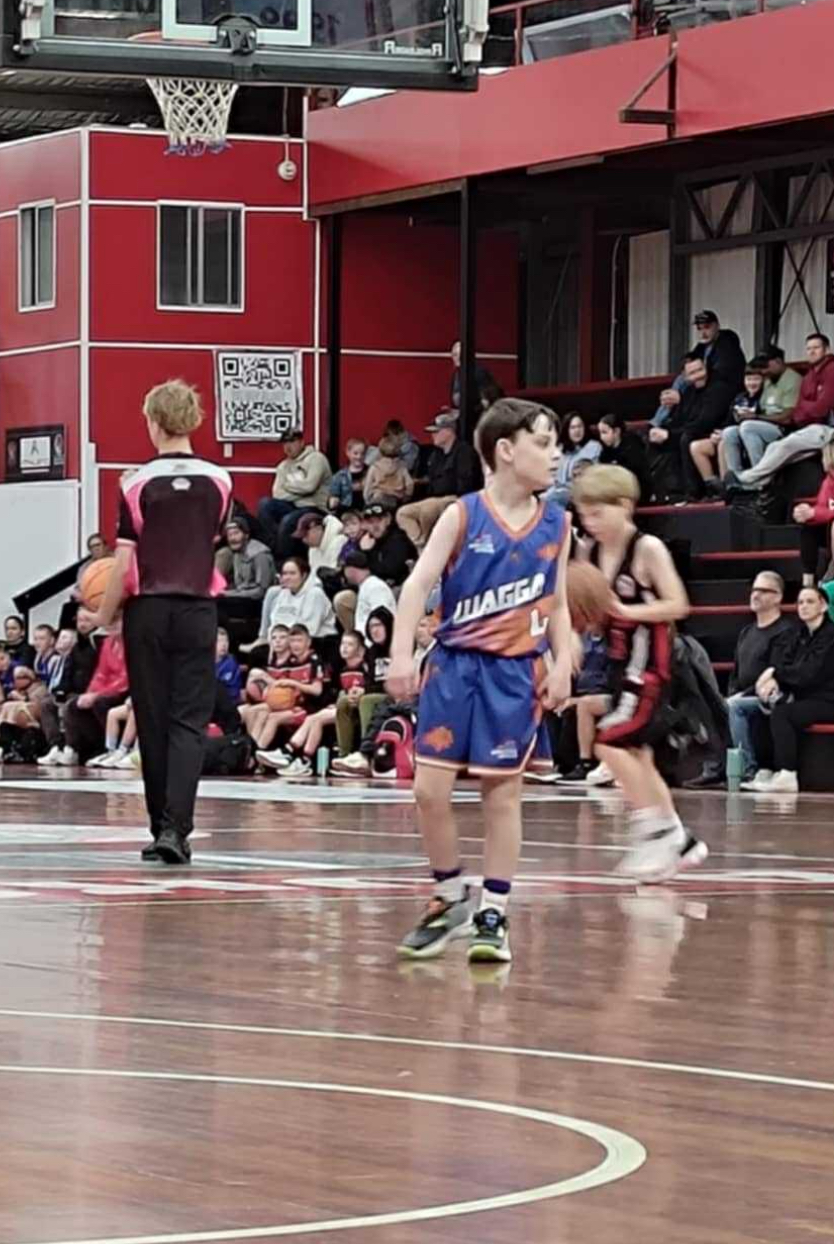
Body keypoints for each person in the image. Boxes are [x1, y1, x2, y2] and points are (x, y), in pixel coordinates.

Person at [387, 397, 572, 964]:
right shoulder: (462, 515)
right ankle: (449, 896)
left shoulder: (557, 523)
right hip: (454, 665)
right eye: (544, 442)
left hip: (515, 673)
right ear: (506, 450)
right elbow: (417, 585)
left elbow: (558, 601)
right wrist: (401, 654)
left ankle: (494, 910)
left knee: (502, 794)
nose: (556, 454)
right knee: (428, 791)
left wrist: (563, 662)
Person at [90, 379, 233, 866]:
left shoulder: (134, 483)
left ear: (153, 422)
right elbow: (207, 540)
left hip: (148, 610)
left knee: (151, 719)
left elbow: (124, 564)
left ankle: (160, 828)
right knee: (188, 722)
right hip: (198, 609)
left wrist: (102, 616)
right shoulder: (220, 480)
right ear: (193, 420)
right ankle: (177, 829)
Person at [573, 464, 708, 881]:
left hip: (651, 664)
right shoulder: (588, 552)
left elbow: (678, 605)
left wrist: (627, 611)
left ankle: (655, 829)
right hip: (618, 662)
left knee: (608, 741)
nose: (590, 522)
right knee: (638, 754)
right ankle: (680, 840)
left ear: (625, 506)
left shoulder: (647, 549)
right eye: (584, 514)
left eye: (598, 513)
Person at [686, 572, 794, 789]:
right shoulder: (747, 632)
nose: (756, 595)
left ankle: (746, 770)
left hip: (771, 698)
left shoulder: (786, 632)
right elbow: (736, 673)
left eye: (763, 591)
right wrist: (730, 695)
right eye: (754, 590)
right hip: (744, 695)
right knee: (712, 705)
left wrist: (739, 696)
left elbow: (776, 676)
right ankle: (716, 767)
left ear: (778, 597)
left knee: (734, 706)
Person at [745, 586, 834, 793]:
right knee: (762, 708)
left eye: (810, 602)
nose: (804, 606)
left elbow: (809, 673)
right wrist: (773, 680)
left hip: (828, 700)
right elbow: (783, 662)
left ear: (823, 606)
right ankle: (767, 770)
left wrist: (775, 675)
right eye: (800, 602)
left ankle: (787, 774)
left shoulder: (831, 636)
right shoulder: (799, 634)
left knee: (783, 714)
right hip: (805, 696)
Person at [724, 334, 834, 495]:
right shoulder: (810, 375)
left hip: (826, 428)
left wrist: (806, 409)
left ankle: (745, 479)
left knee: (783, 444)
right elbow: (799, 411)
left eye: (816, 348)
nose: (811, 352)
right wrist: (807, 409)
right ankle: (755, 484)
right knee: (774, 447)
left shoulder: (831, 370)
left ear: (827, 349)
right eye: (808, 348)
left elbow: (821, 409)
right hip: (808, 428)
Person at [258, 630, 368, 776]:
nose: (345, 648)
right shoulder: (341, 669)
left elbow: (370, 688)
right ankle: (302, 759)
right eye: (343, 644)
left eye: (350, 644)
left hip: (358, 708)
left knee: (315, 717)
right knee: (314, 719)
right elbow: (339, 692)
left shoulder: (365, 666)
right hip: (342, 708)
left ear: (360, 649)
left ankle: (288, 753)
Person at [647, 354, 730, 500]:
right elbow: (679, 419)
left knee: (685, 438)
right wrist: (662, 431)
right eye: (692, 373)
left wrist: (670, 435)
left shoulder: (718, 388)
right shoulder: (689, 392)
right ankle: (663, 494)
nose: (698, 376)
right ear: (685, 377)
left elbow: (706, 422)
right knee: (654, 441)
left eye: (700, 370)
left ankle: (694, 492)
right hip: (690, 431)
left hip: (711, 433)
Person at [396, 410, 482, 549]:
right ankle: (422, 545)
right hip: (434, 499)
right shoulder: (436, 455)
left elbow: (466, 484)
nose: (432, 435)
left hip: (455, 499)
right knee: (403, 513)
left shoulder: (464, 452)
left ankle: (430, 549)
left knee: (427, 511)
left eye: (436, 431)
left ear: (448, 431)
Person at [652, 311, 746, 426]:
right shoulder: (702, 346)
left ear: (717, 326)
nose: (703, 333)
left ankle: (659, 422)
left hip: (720, 393)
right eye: (699, 329)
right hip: (702, 390)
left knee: (684, 383)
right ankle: (660, 420)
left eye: (706, 327)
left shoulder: (727, 346)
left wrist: (683, 397)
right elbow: (689, 362)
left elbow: (720, 376)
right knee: (680, 380)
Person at [331, 608, 394, 775]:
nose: (375, 630)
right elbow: (370, 681)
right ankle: (345, 755)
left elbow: (393, 682)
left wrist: (364, 692)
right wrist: (358, 691)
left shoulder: (398, 648)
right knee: (344, 701)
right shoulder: (371, 652)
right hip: (375, 692)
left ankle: (366, 756)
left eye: (379, 625)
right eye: (371, 626)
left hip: (396, 694)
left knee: (367, 700)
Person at [257, 429, 332, 559]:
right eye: (285, 443)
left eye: (292, 442)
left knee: (288, 520)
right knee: (264, 503)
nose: (288, 447)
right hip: (293, 505)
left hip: (315, 506)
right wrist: (302, 490)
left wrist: (288, 486)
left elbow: (310, 486)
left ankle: (283, 559)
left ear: (301, 442)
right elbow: (277, 494)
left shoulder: (316, 459)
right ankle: (273, 550)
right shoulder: (283, 466)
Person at [252, 556, 338, 652]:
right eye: (285, 573)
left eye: (292, 573)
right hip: (285, 643)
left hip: (317, 644)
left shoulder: (315, 594)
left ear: (304, 575)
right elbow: (274, 622)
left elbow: (309, 629)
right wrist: (275, 639)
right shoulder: (283, 593)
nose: (287, 577)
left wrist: (283, 641)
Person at [215, 516, 276, 646]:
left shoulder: (260, 555)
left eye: (236, 533)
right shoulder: (237, 553)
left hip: (258, 602)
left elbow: (261, 590)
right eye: (230, 535)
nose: (232, 538)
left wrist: (229, 594)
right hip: (244, 598)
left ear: (246, 535)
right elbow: (239, 585)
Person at [794, 441, 834, 586]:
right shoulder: (829, 480)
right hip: (829, 531)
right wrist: (805, 512)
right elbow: (824, 507)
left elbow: (825, 510)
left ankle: (831, 573)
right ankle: (808, 582)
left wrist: (815, 513)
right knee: (809, 528)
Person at [335, 551, 397, 637]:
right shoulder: (366, 586)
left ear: (351, 570)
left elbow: (382, 621)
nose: (344, 576)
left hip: (373, 641)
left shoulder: (375, 586)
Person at [548, 412, 602, 507]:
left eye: (579, 426)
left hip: (580, 491)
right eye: (573, 427)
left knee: (550, 500)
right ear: (567, 430)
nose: (577, 431)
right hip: (557, 491)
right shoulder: (560, 448)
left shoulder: (594, 446)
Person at [358, 501, 416, 587]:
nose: (375, 526)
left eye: (379, 520)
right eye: (370, 522)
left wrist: (368, 553)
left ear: (388, 520)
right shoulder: (366, 540)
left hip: (402, 586)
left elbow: (391, 572)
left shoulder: (398, 539)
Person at [598, 413, 651, 504]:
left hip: (637, 494)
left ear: (616, 431)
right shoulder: (605, 453)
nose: (602, 437)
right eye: (600, 433)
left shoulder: (633, 448)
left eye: (604, 432)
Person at [363, 433, 415, 506]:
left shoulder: (375, 467)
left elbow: (368, 486)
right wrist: (407, 496)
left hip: (378, 497)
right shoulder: (401, 466)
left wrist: (367, 500)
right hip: (397, 499)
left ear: (380, 451)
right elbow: (410, 483)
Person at [449, 340, 497, 412]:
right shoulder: (456, 374)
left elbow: (486, 401)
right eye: (454, 355)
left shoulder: (478, 372)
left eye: (459, 355)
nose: (457, 358)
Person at [294, 512, 346, 578]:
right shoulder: (312, 550)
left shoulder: (340, 542)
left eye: (306, 535)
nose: (304, 540)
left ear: (316, 528)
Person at [328, 438, 368, 513]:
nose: (359, 457)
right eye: (355, 453)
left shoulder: (370, 472)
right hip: (347, 509)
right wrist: (333, 501)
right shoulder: (340, 475)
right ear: (348, 453)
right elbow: (334, 495)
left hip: (366, 509)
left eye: (362, 454)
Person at [215, 627, 243, 701]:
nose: (224, 644)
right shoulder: (204, 662)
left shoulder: (231, 662)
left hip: (228, 701)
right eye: (219, 641)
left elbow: (235, 689)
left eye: (226, 641)